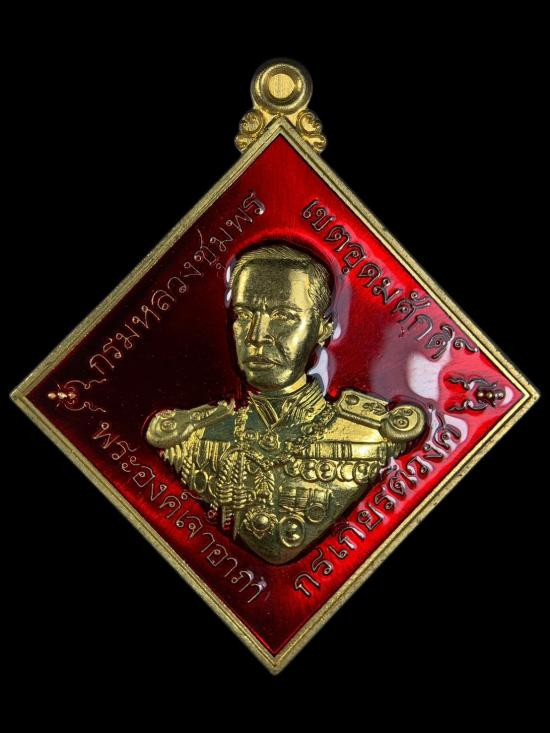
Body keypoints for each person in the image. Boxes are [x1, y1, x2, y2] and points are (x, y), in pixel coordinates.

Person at [146, 243, 425, 564]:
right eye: (244, 315)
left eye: (283, 316)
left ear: (323, 329)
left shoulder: (373, 434)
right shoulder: (192, 437)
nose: (258, 335)